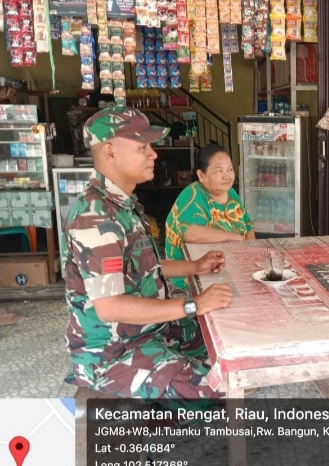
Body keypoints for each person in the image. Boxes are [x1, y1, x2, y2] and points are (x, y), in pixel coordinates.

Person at [62, 106, 234, 399]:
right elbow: (110, 306)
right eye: (142, 147)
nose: (153, 154)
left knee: (224, 342)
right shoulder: (95, 216)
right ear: (110, 152)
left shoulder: (122, 204)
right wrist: (193, 304)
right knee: (216, 391)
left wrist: (194, 267)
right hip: (113, 351)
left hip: (148, 329)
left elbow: (146, 267)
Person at [165, 144, 255, 291]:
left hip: (226, 268)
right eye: (220, 171)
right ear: (201, 175)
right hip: (193, 277)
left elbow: (248, 225)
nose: (227, 176)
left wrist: (250, 257)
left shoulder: (231, 193)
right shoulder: (193, 195)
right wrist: (234, 238)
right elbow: (191, 233)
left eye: (230, 169)